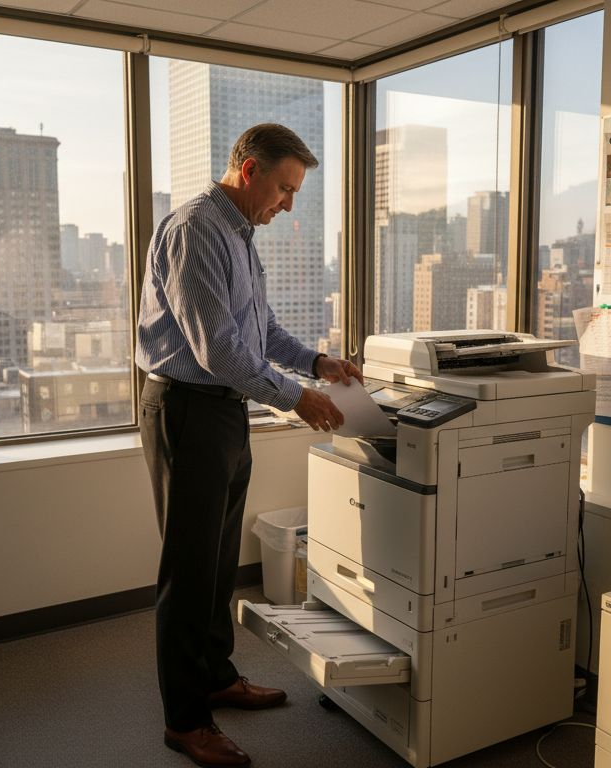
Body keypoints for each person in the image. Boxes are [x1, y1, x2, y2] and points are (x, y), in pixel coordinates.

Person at [135, 123, 362, 768]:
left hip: (225, 411)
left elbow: (258, 332)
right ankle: (186, 718)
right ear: (247, 168)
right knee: (188, 567)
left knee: (218, 559)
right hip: (186, 409)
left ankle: (214, 674)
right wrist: (297, 398)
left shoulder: (239, 234)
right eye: (285, 189)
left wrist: (318, 363)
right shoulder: (197, 230)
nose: (288, 204)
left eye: (294, 192)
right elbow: (218, 350)